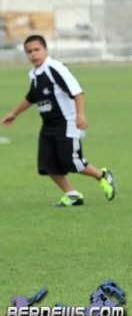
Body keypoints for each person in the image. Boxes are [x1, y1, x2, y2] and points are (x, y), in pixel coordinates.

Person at [1, 35, 116, 207]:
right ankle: (72, 195)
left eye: (37, 50)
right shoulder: (35, 74)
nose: (33, 54)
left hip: (67, 123)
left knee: (72, 162)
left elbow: (77, 91)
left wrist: (80, 115)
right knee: (47, 164)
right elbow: (32, 97)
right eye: (29, 51)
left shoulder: (55, 68)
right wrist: (14, 113)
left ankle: (103, 175)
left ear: (46, 50)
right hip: (48, 125)